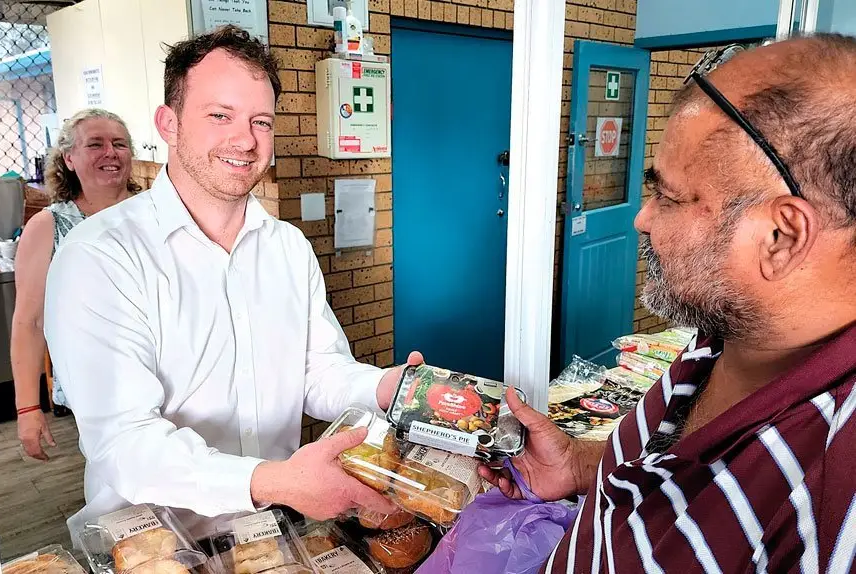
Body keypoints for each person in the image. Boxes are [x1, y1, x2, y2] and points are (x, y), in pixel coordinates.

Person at [481, 34, 856, 573]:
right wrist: (579, 463)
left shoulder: (832, 492)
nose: (642, 219)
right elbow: (662, 477)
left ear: (781, 236)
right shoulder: (733, 326)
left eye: (669, 197)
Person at [44, 26, 419, 541]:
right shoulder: (100, 255)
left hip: (272, 534)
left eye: (260, 121)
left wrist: (382, 387)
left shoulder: (288, 248)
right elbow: (124, 443)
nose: (245, 140)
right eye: (220, 115)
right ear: (169, 124)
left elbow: (317, 371)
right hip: (157, 546)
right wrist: (274, 480)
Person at [12, 108, 139, 461]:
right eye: (95, 144)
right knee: (125, 485)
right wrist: (27, 409)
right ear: (68, 158)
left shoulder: (155, 213)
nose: (110, 153)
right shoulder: (49, 226)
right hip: (100, 391)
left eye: (120, 144)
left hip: (176, 378)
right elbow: (29, 321)